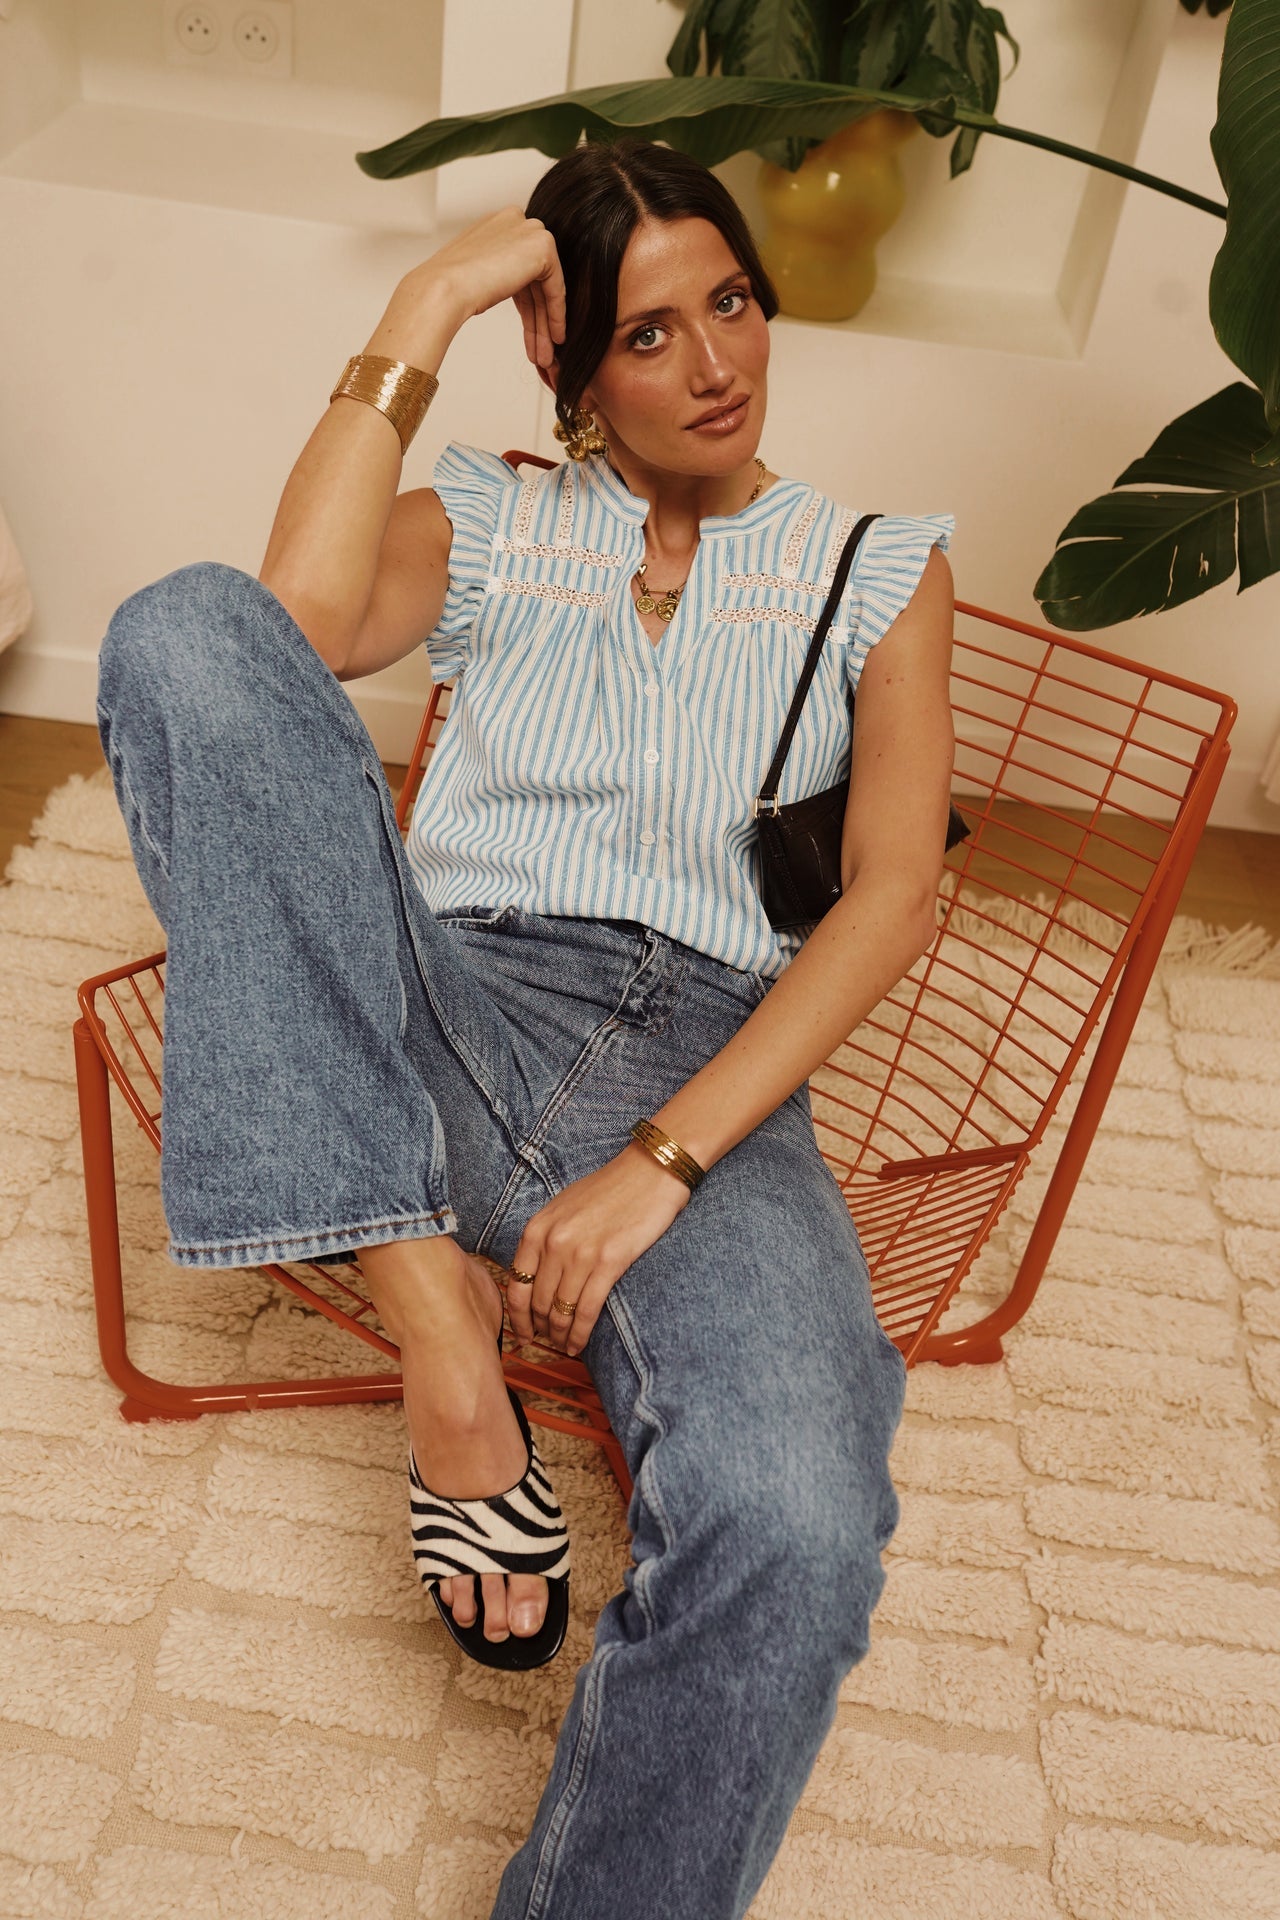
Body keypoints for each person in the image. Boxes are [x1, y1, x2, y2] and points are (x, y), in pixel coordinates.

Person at [97, 139, 955, 1920]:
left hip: (705, 1066)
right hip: (443, 994)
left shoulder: (878, 566)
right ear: (566, 361)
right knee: (181, 628)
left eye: (732, 303)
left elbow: (890, 899)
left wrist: (662, 1163)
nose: (715, 364)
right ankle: (441, 1329)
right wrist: (425, 304)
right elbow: (278, 639)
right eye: (647, 333)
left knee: (802, 1527)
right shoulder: (494, 518)